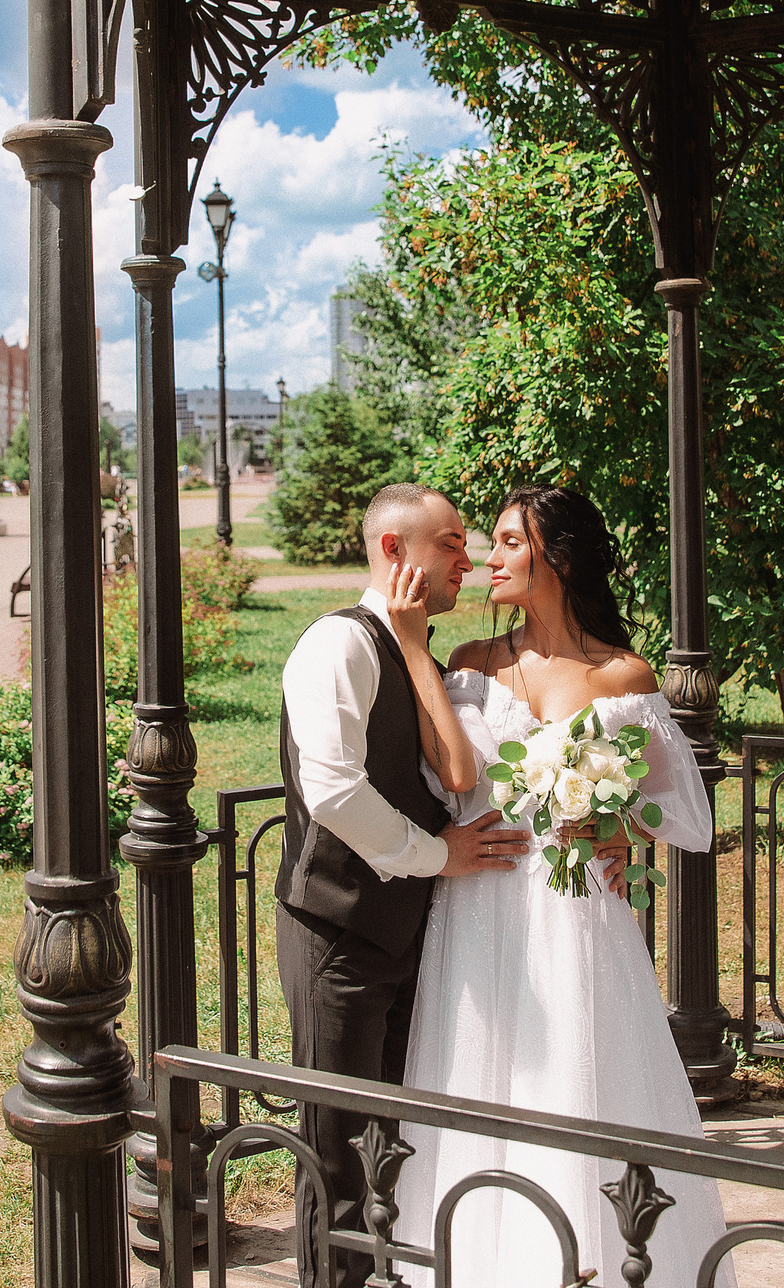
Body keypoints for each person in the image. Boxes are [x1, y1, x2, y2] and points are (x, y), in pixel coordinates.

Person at [392, 483, 727, 1286]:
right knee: (479, 1073)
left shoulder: (622, 673)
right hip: (479, 901)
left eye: (510, 542)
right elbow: (449, 771)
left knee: (575, 1083)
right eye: (493, 542)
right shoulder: (472, 662)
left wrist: (618, 826)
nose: (490, 558)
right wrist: (412, 648)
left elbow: (679, 807)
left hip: (576, 914)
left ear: (560, 556)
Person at [275, 482, 528, 1288]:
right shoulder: (337, 645)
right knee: (336, 1154)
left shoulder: (415, 651)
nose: (469, 558)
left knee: (392, 1143)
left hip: (407, 933)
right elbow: (336, 792)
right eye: (451, 542)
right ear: (395, 551)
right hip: (340, 933)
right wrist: (438, 854)